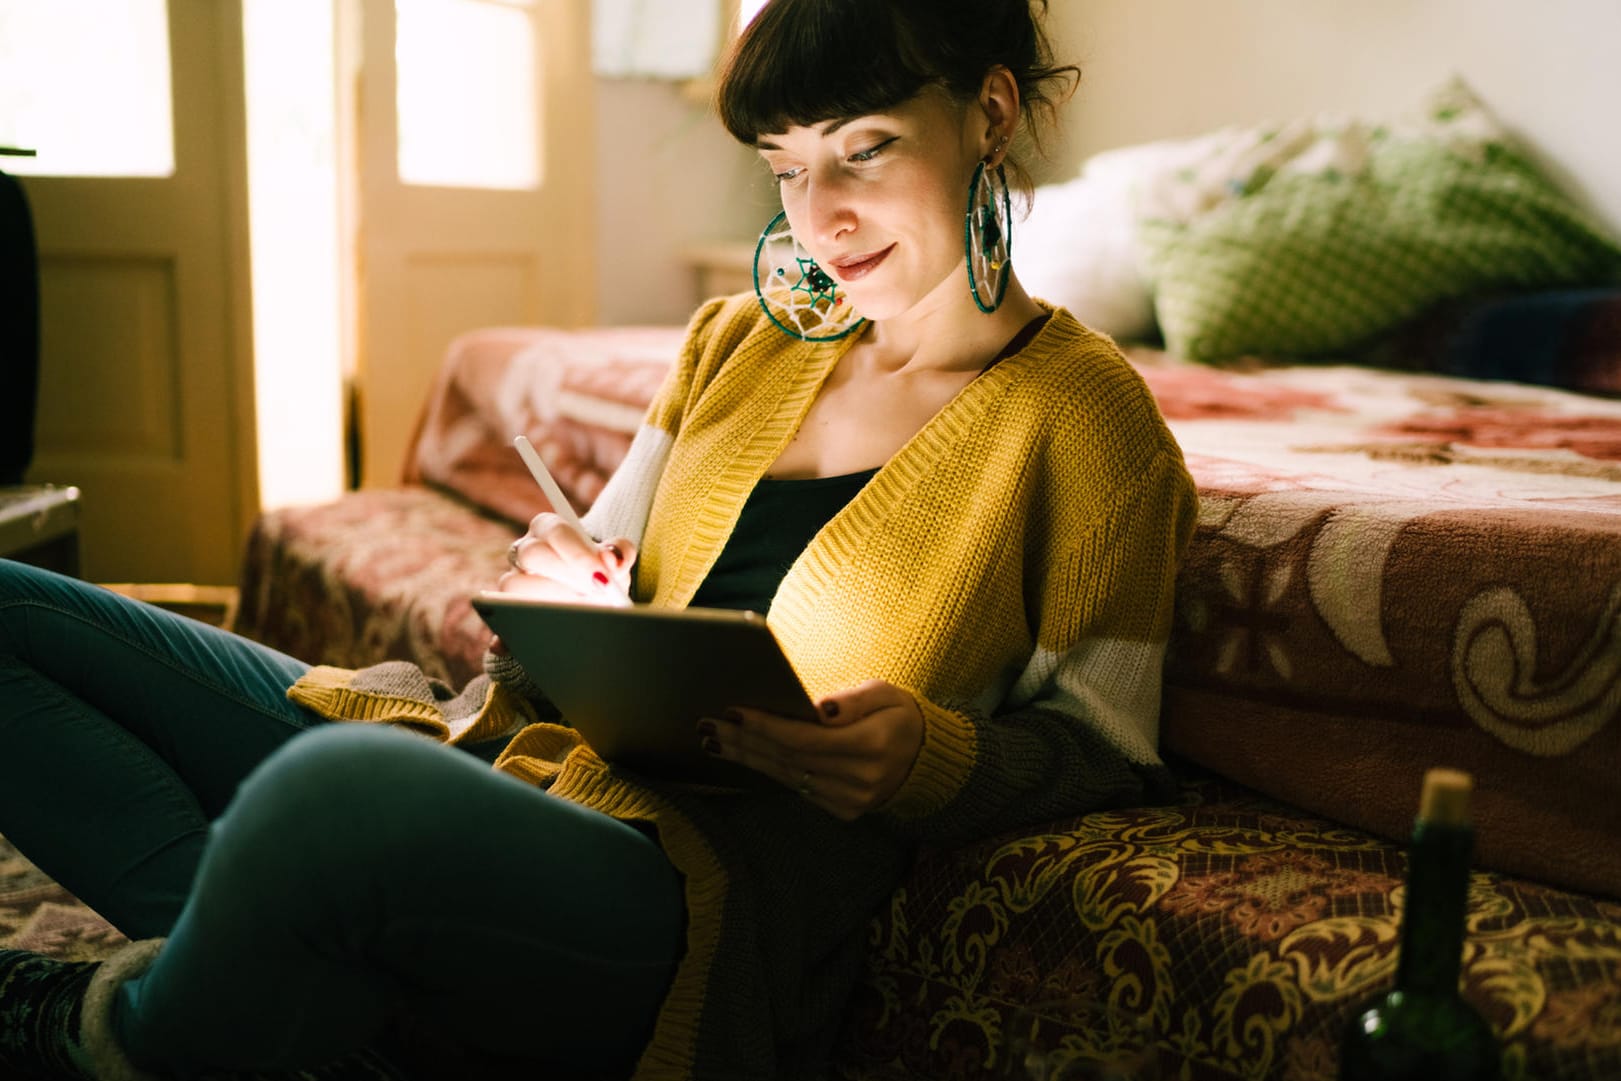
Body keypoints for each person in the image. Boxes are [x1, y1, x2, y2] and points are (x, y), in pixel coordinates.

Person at [0, 0, 1197, 1078]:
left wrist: (928, 756)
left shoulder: (1087, 421)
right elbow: (579, 596)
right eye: (785, 169)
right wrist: (564, 592)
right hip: (522, 768)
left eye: (863, 151)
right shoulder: (738, 342)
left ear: (988, 111)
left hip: (686, 896)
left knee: (336, 791)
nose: (819, 218)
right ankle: (286, 1013)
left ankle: (110, 1031)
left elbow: (1107, 749)